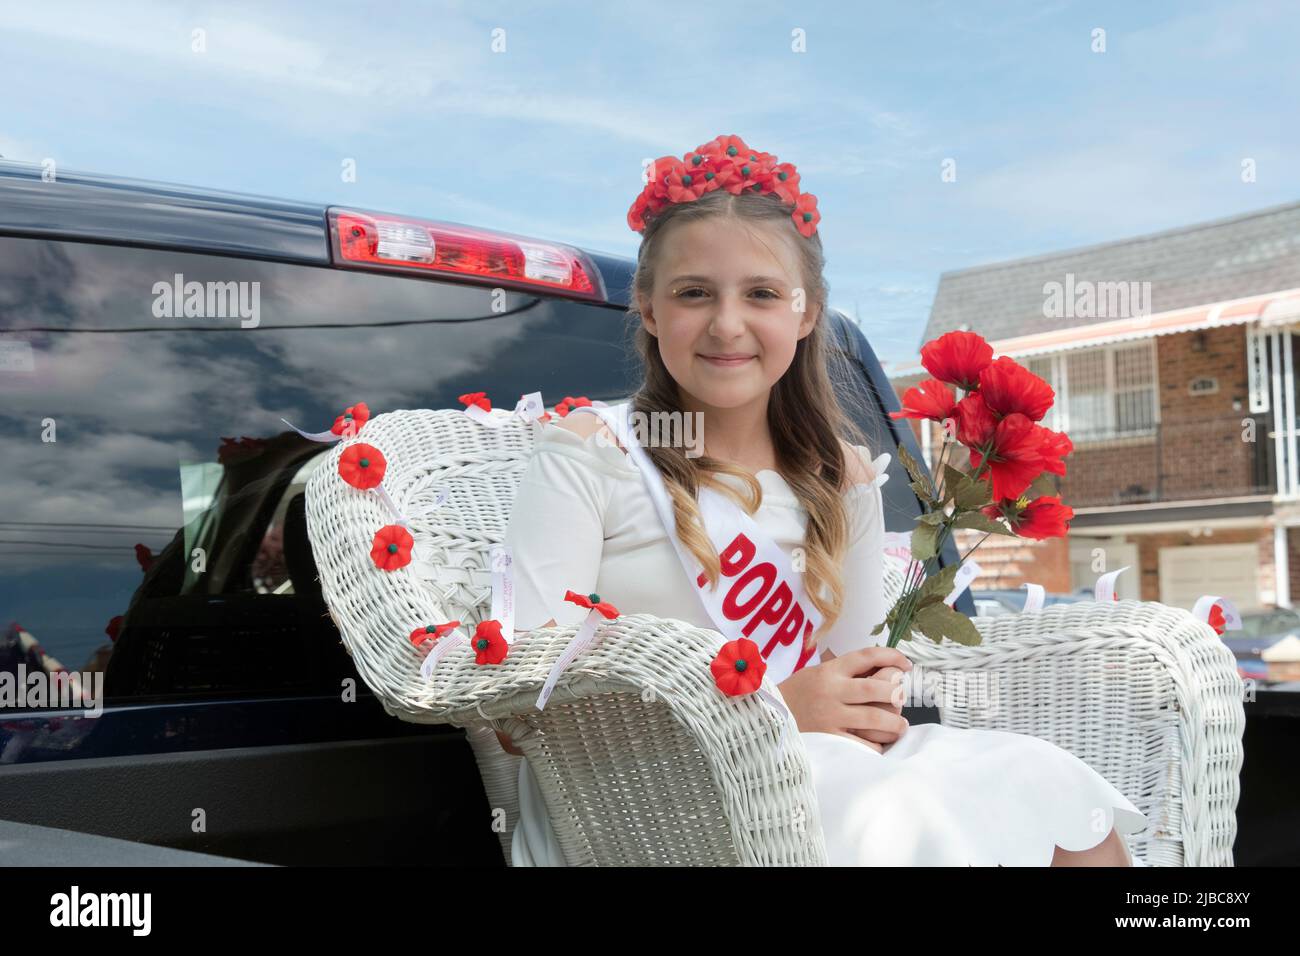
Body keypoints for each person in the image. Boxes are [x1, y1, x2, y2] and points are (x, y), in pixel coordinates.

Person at [500, 134, 1147, 866]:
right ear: (648, 308)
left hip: (827, 769)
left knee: (1051, 785)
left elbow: (855, 664)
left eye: (763, 294)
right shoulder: (592, 451)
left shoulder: (841, 475)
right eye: (693, 293)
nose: (727, 324)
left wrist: (859, 701)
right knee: (892, 816)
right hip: (650, 801)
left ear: (807, 315)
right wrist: (774, 709)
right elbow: (525, 698)